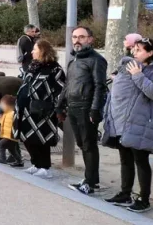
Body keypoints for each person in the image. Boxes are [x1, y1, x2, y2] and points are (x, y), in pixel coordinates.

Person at [101, 37, 153, 212]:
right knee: (125, 159)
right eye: (134, 49)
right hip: (123, 121)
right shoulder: (131, 66)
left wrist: (138, 75)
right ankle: (125, 193)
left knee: (141, 160)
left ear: (150, 53)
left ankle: (144, 199)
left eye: (139, 50)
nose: (134, 52)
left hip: (142, 122)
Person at [58, 26, 108, 194]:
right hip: (73, 107)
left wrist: (95, 110)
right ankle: (92, 180)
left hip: (86, 108)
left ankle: (90, 183)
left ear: (90, 39)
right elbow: (67, 85)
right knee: (82, 144)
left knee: (89, 145)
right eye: (74, 37)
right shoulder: (73, 61)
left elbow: (99, 86)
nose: (77, 40)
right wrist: (60, 105)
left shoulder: (96, 60)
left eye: (81, 37)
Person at [13, 39, 65, 176]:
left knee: (42, 139)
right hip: (25, 109)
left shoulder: (55, 69)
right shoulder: (33, 66)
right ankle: (35, 164)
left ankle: (45, 167)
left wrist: (57, 106)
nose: (31, 52)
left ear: (42, 51)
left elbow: (62, 89)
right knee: (27, 137)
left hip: (42, 110)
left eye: (34, 49)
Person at [0, 95, 22, 167]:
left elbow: (12, 125)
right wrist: (0, 119)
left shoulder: (12, 114)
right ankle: (19, 161)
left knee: (0, 145)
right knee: (12, 150)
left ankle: (2, 158)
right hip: (10, 136)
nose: (1, 107)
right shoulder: (7, 113)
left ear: (8, 105)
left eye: (2, 105)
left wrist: (0, 119)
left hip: (10, 136)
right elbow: (5, 124)